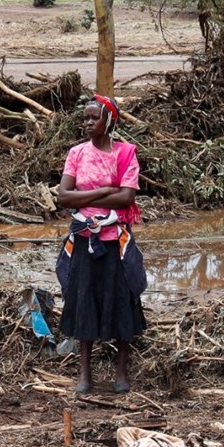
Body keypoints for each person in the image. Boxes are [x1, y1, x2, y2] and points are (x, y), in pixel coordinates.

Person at [55, 95, 146, 394]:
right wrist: (107, 190)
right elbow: (63, 197)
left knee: (122, 301)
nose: (88, 122)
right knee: (84, 301)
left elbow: (127, 198)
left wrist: (93, 195)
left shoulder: (125, 154)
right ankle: (85, 374)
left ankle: (121, 373)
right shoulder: (77, 153)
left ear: (108, 121)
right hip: (83, 238)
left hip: (115, 240)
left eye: (94, 117)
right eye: (86, 118)